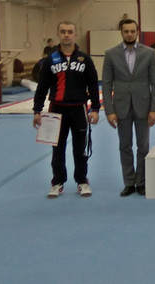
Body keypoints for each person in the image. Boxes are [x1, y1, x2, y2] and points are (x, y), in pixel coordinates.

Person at [32, 21, 100, 198]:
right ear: (58, 34)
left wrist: (95, 108)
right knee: (57, 149)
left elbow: (93, 85)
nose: (66, 35)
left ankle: (82, 181)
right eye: (63, 32)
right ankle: (57, 182)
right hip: (56, 110)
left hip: (79, 109)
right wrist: (37, 111)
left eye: (70, 32)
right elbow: (42, 87)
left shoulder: (84, 59)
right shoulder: (50, 59)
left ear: (75, 34)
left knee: (80, 149)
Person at [102, 19, 155, 197]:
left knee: (143, 146)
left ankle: (141, 182)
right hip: (121, 107)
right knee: (124, 146)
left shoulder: (149, 53)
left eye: (132, 31)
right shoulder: (111, 54)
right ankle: (129, 182)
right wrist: (109, 110)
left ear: (137, 32)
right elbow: (106, 84)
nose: (129, 34)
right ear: (121, 32)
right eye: (126, 31)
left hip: (144, 105)